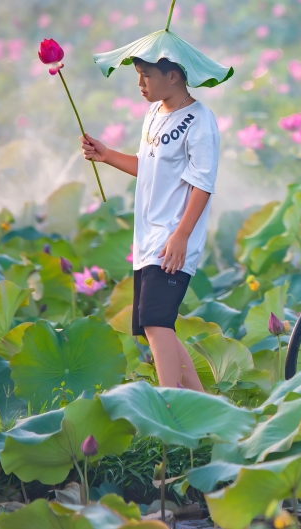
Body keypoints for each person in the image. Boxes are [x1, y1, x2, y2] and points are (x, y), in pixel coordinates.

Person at [81, 57, 220, 391]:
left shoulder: (201, 122)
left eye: (145, 76)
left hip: (173, 236)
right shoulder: (154, 114)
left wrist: (182, 235)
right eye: (138, 76)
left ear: (173, 75)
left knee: (157, 321)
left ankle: (169, 406)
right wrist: (107, 154)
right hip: (147, 237)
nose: (140, 84)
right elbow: (149, 165)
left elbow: (203, 183)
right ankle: (207, 408)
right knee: (152, 324)